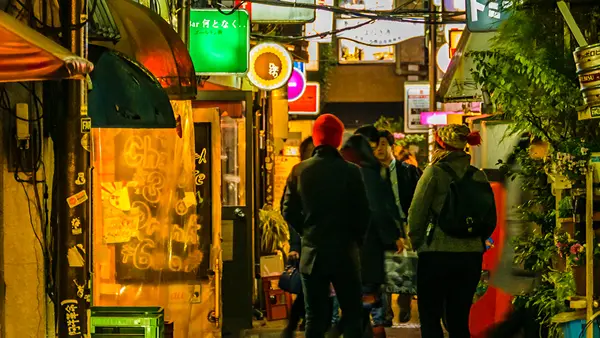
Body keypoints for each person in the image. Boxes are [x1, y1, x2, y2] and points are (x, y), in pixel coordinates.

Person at [282, 114, 371, 338]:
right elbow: (363, 213)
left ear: (316, 138)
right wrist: (355, 240)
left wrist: (307, 232)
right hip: (345, 252)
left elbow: (287, 210)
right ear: (338, 139)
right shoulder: (352, 172)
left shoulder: (299, 171)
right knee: (351, 313)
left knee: (314, 316)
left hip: (313, 253)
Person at [408, 124, 490, 338]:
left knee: (430, 316)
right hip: (470, 256)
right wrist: (476, 241)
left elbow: (417, 212)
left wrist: (417, 242)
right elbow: (490, 217)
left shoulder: (434, 172)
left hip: (436, 253)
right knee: (459, 319)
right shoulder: (478, 176)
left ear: (440, 144)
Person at [339, 134, 403, 338]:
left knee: (362, 298)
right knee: (369, 296)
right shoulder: (370, 174)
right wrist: (393, 237)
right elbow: (379, 210)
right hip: (368, 247)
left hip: (350, 247)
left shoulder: (347, 174)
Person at [281, 136, 340, 337]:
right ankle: (301, 324)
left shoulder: (328, 176)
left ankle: (307, 325)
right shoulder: (298, 174)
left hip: (326, 244)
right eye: (309, 151)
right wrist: (297, 242)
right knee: (310, 292)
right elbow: (289, 212)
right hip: (310, 245)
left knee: (321, 292)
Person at [374, 130, 421, 324]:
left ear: (392, 147)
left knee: (406, 267)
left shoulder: (407, 171)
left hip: (405, 225)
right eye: (375, 145)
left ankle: (404, 302)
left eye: (383, 144)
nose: (379, 149)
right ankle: (385, 314)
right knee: (382, 270)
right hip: (380, 227)